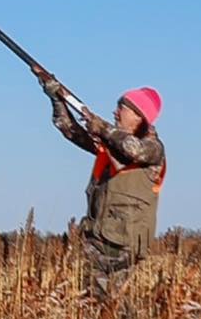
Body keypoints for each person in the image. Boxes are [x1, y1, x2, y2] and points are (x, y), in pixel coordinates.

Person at [35, 68, 166, 299]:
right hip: (97, 241)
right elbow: (71, 131)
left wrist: (102, 127)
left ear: (139, 116)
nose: (115, 112)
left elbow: (132, 149)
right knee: (86, 305)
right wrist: (56, 97)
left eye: (122, 108)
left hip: (123, 249)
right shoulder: (110, 146)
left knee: (112, 310)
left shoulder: (153, 149)